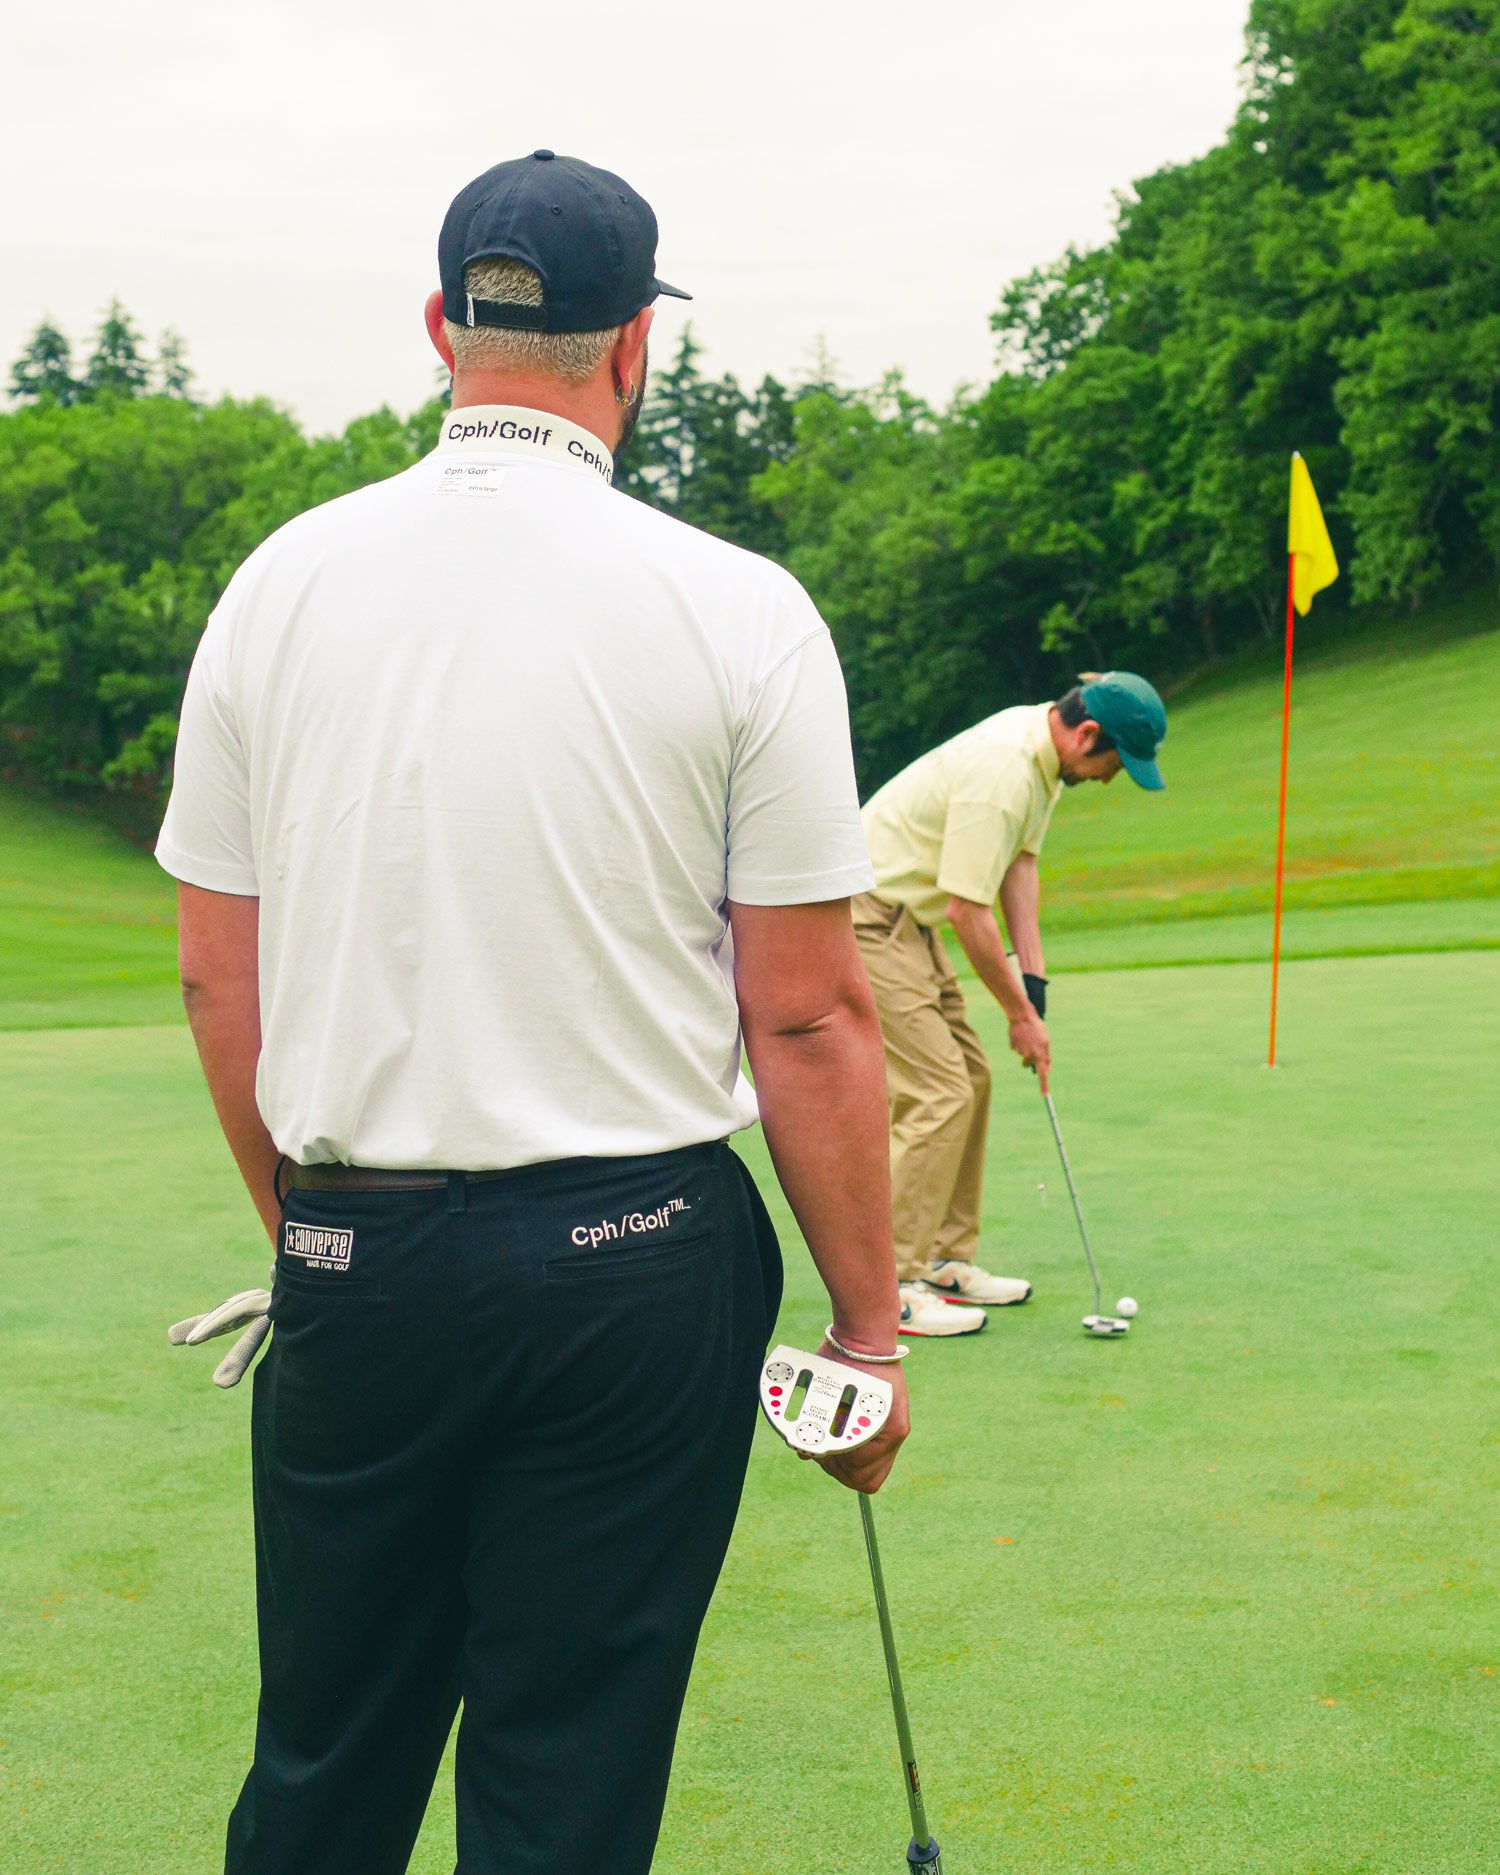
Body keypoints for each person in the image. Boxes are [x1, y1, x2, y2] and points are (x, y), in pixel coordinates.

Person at [155, 150, 908, 1875]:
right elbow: (805, 1019)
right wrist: (868, 1336)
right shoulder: (742, 607)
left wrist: (313, 1241)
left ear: (442, 327)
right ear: (636, 346)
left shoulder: (276, 585)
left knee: (325, 1768)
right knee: (566, 1783)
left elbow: (218, 974)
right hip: (640, 1264)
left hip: (357, 1253)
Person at [853, 673, 1168, 1336]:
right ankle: (891, 1287)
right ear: (1087, 735)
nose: (1112, 778)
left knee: (970, 1076)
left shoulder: (1046, 763)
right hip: (865, 917)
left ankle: (943, 1257)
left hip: (910, 919)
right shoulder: (1005, 773)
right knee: (938, 1090)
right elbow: (969, 909)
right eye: (1115, 763)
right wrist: (1017, 1016)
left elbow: (1019, 868)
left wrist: (1035, 987)